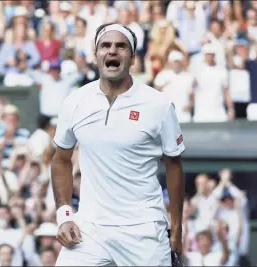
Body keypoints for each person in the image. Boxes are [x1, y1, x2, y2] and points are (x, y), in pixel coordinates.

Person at [51, 23, 185, 266]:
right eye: (105, 45)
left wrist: (176, 227)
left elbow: (174, 165)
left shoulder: (159, 105)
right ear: (96, 55)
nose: (112, 51)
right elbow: (60, 159)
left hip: (144, 229)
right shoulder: (75, 101)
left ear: (133, 57)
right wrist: (64, 215)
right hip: (89, 228)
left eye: (121, 46)